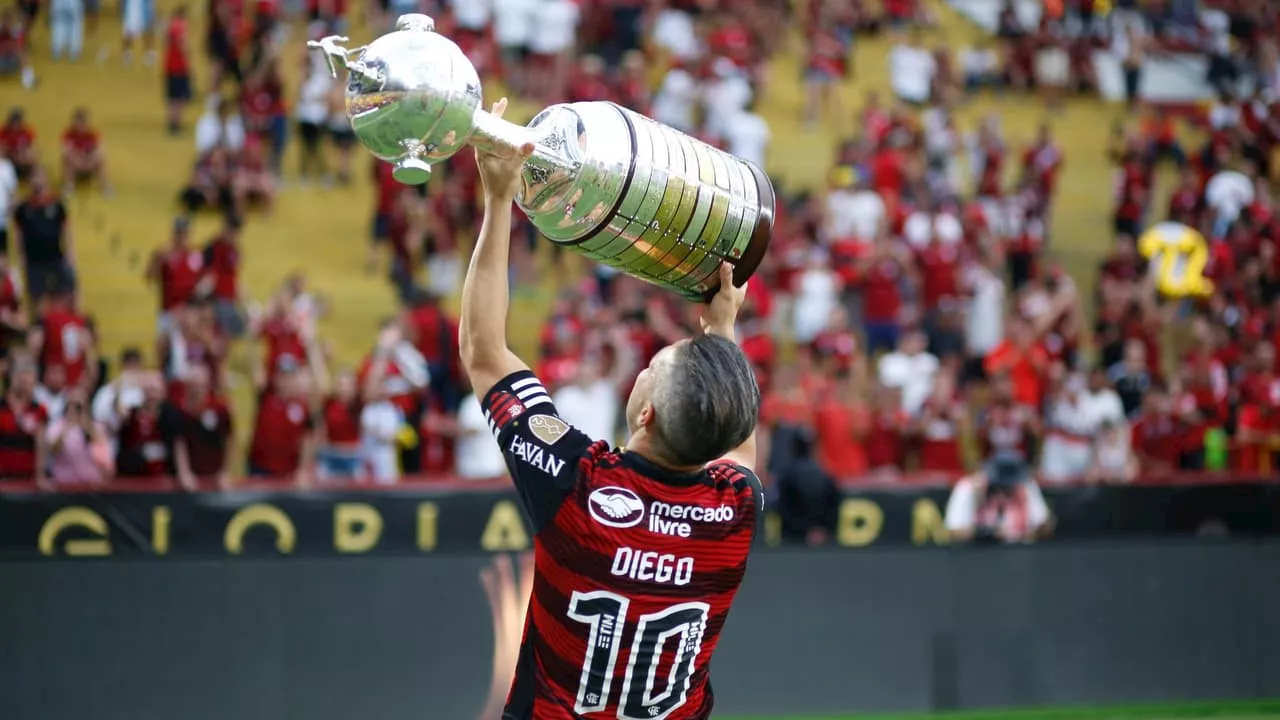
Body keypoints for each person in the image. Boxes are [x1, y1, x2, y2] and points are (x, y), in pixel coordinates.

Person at [459, 97, 763, 720]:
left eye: (651, 368)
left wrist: (497, 201)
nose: (644, 368)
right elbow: (734, 438)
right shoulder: (733, 509)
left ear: (645, 412)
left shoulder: (577, 488)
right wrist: (723, 327)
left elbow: (484, 350)